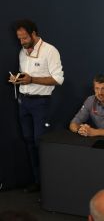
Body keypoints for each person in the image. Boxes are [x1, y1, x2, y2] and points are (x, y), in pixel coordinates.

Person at [8, 19, 64, 192]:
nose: (22, 42)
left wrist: (32, 79)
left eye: (24, 38)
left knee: (41, 143)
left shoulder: (50, 50)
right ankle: (38, 182)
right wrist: (18, 80)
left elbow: (58, 79)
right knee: (29, 142)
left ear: (33, 34)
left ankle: (49, 185)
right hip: (23, 102)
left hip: (41, 103)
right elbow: (26, 76)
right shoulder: (22, 52)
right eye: (19, 39)